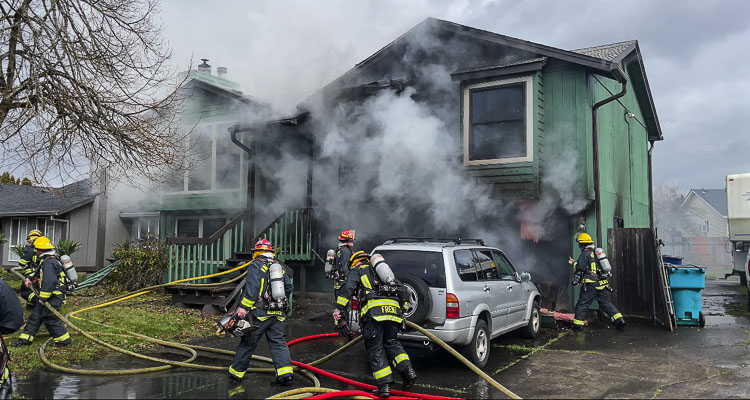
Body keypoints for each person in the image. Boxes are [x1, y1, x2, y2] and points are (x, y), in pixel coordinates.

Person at [336, 251, 417, 398]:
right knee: (392, 344)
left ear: (354, 262)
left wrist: (339, 310)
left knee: (375, 349)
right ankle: (408, 372)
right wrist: (402, 311)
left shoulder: (358, 270)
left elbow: (348, 289)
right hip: (393, 313)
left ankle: (384, 387)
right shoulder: (383, 273)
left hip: (374, 315)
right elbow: (404, 291)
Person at [228, 239, 294, 386]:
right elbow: (289, 287)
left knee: (248, 342)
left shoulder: (256, 265)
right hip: (278, 313)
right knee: (278, 343)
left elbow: (252, 289)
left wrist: (244, 308)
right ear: (270, 252)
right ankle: (285, 375)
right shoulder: (279, 266)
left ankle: (235, 374)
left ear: (256, 252)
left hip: (261, 314)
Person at [13, 236, 72, 347]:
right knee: (36, 316)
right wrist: (29, 279)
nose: (35, 251)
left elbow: (49, 282)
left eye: (36, 249)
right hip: (50, 295)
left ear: (40, 249)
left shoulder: (49, 262)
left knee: (50, 318)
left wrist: (43, 298)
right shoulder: (46, 260)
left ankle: (64, 341)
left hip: (54, 296)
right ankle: (25, 340)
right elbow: (38, 272)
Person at [569, 233, 625, 331]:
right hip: (602, 283)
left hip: (591, 284)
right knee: (605, 303)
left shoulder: (585, 254)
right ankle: (619, 320)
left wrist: (573, 263)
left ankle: (577, 326)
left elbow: (581, 267)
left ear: (582, 244)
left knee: (582, 304)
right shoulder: (596, 253)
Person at [328, 229, 356, 327]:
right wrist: (351, 280)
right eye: (351, 241)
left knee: (340, 304)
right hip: (344, 283)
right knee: (343, 305)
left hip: (338, 284)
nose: (352, 243)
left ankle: (338, 323)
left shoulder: (339, 250)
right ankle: (342, 325)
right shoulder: (345, 251)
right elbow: (345, 268)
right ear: (346, 241)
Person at [19, 230, 43, 309]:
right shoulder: (42, 249)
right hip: (40, 274)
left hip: (31, 275)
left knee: (25, 292)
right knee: (36, 290)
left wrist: (22, 263)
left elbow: (22, 263)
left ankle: (37, 303)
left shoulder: (30, 249)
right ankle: (32, 305)